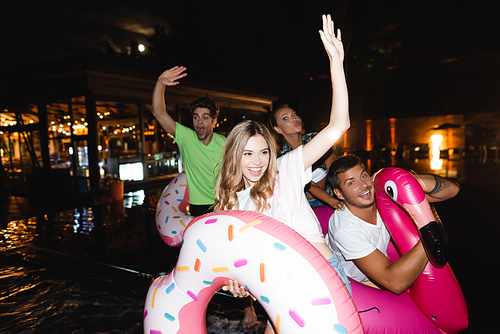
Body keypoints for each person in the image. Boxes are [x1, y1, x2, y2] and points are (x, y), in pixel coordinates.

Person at [216, 14, 351, 333]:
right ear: (235, 156)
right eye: (247, 153)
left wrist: (336, 63)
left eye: (263, 151)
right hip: (278, 285)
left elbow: (338, 126)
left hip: (320, 276)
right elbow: (235, 257)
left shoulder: (286, 168)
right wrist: (233, 282)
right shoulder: (233, 201)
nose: (257, 162)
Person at [152, 67, 257, 328]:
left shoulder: (226, 143)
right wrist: (160, 83)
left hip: (224, 206)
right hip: (198, 209)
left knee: (236, 258)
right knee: (196, 261)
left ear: (214, 120)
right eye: (196, 117)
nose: (200, 122)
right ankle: (188, 308)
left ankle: (248, 309)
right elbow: (158, 112)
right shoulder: (185, 138)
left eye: (205, 117)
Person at [326, 154, 460, 294]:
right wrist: (430, 233)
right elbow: (395, 283)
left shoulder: (381, 197)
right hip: (354, 284)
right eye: (351, 183)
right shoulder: (345, 229)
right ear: (339, 194)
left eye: (364, 176)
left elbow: (452, 190)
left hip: (381, 264)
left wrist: (404, 180)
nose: (363, 185)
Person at [271, 105, 343, 209]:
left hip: (332, 198)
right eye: (285, 118)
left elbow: (335, 171)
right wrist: (334, 202)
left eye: (294, 114)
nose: (294, 118)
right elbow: (308, 185)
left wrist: (343, 196)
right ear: (278, 129)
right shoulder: (282, 156)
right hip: (304, 206)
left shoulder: (316, 139)